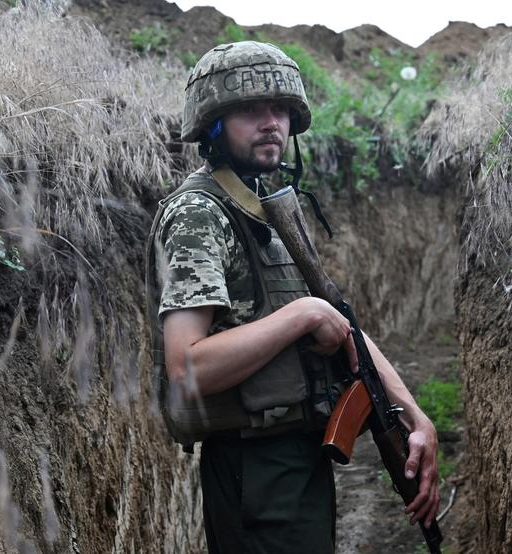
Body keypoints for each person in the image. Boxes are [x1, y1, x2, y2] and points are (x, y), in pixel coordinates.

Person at [146, 41, 439, 554]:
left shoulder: (264, 207)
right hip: (254, 469)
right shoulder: (198, 214)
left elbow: (342, 326)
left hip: (294, 460)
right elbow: (186, 369)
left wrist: (416, 417)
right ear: (213, 124)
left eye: (280, 109)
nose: (270, 123)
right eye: (250, 110)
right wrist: (304, 314)